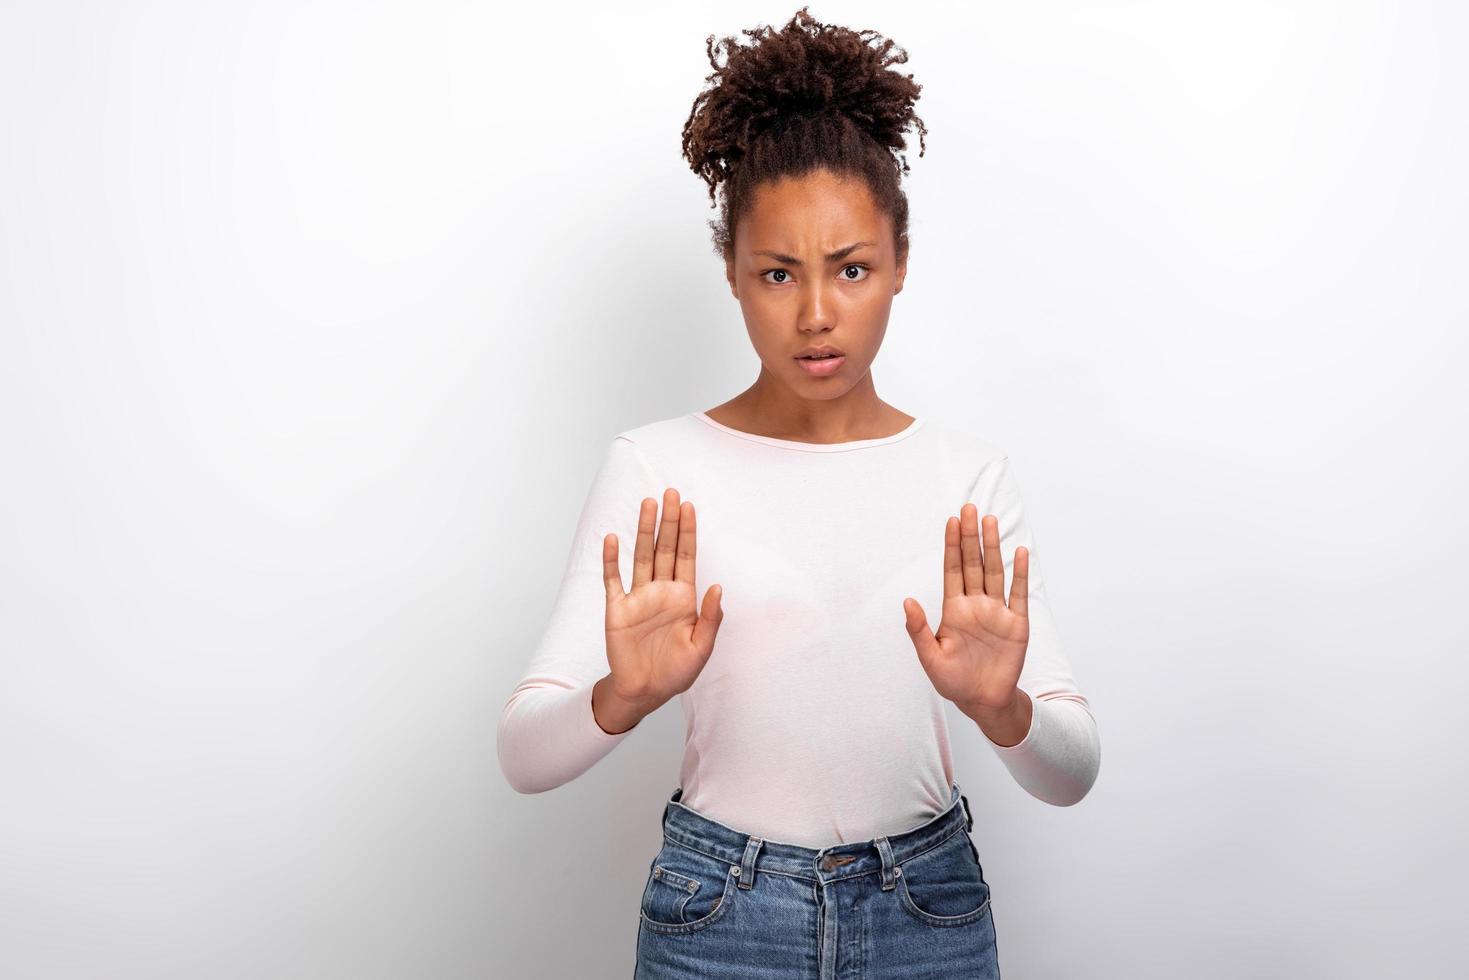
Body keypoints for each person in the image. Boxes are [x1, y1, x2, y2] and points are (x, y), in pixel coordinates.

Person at [497, 7, 1100, 976]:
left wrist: (1002, 710)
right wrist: (623, 694)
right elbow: (523, 753)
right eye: (777, 272)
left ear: (899, 263)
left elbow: (1072, 768)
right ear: (731, 271)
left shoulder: (966, 476)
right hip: (719, 919)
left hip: (926, 912)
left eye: (850, 268)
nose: (816, 314)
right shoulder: (657, 468)